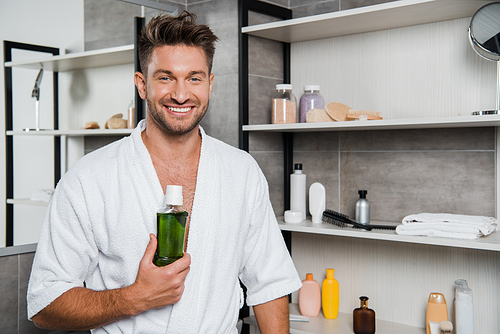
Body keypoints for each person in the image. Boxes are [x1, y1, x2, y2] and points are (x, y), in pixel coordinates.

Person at [27, 11, 301, 334]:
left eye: (194, 78)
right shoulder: (89, 179)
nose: (181, 94)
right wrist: (133, 298)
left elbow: (269, 285)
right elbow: (45, 303)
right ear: (142, 84)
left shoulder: (242, 173)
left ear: (210, 84)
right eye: (166, 77)